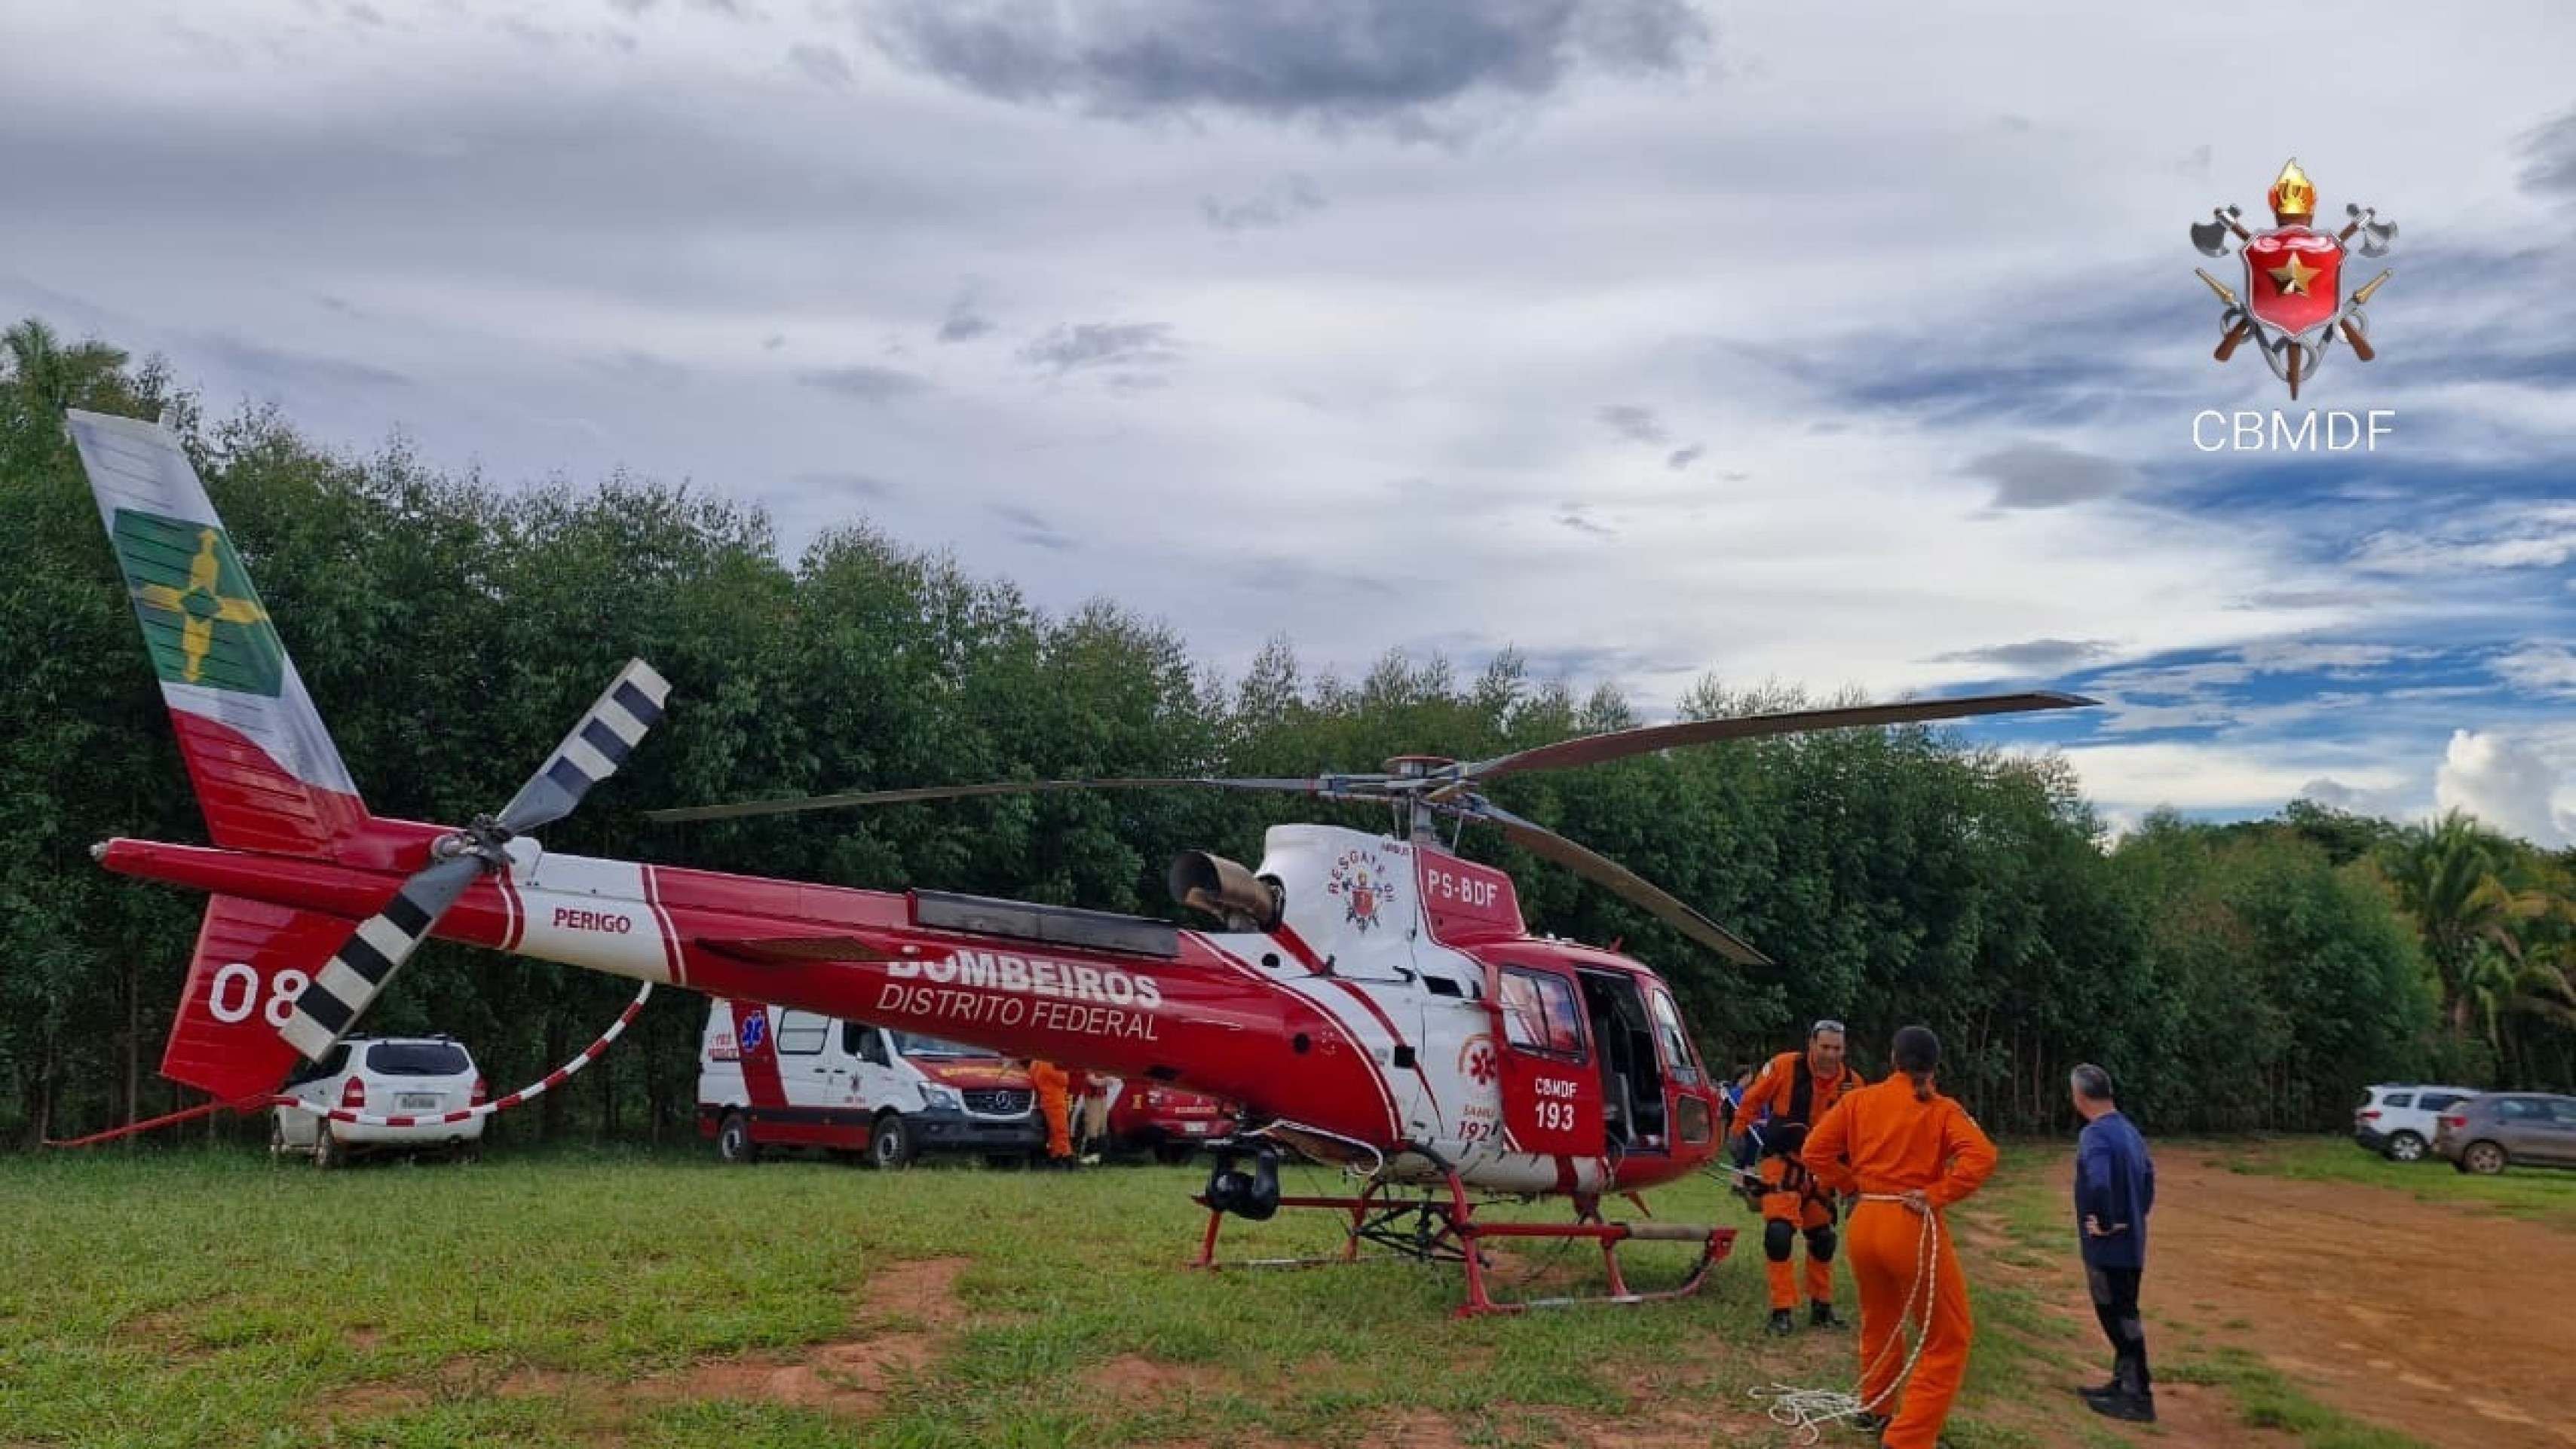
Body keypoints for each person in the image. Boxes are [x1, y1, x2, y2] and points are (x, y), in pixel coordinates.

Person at [1803, 1025, 1996, 1449]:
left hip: (1865, 1219)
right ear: (1935, 1066)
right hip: (1909, 1222)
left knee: (1881, 1319)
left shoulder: (1859, 1100)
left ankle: (1877, 1408)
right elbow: (1982, 1156)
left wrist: (1851, 1184)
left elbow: (1814, 1150)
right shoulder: (1941, 1108)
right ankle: (1909, 1437)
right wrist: (1936, 1194)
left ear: (1893, 1059)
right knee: (1949, 1336)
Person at [1735, 1020, 1859, 1334]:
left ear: (1844, 1050)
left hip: (1822, 1172)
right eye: (1825, 1047)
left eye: (1837, 1049)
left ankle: (1822, 1306)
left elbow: (1864, 1134)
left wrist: (1853, 1184)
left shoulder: (1854, 1084)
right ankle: (1782, 1311)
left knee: (1823, 1238)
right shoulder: (1784, 1066)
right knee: (1778, 1234)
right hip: (1783, 1163)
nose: (1831, 1055)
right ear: (1812, 1044)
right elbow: (1751, 1100)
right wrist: (1738, 1137)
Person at [2070, 1062, 2156, 1423]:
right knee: (2124, 1312)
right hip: (2131, 1241)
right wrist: (2134, 1216)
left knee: (2119, 1317)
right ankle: (2123, 1383)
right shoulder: (2128, 1131)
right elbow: (2149, 1180)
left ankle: (2138, 1396)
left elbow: (2100, 1181)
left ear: (2079, 1096)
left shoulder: (2095, 1136)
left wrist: (2105, 1222)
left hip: (2108, 1247)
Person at [1029, 1058, 1074, 1167]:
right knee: (1060, 1131)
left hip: (1045, 1100)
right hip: (1056, 1101)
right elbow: (1064, 1080)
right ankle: (1063, 1157)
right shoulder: (1052, 1064)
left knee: (1053, 1132)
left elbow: (1033, 1080)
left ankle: (1056, 1156)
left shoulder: (1036, 1063)